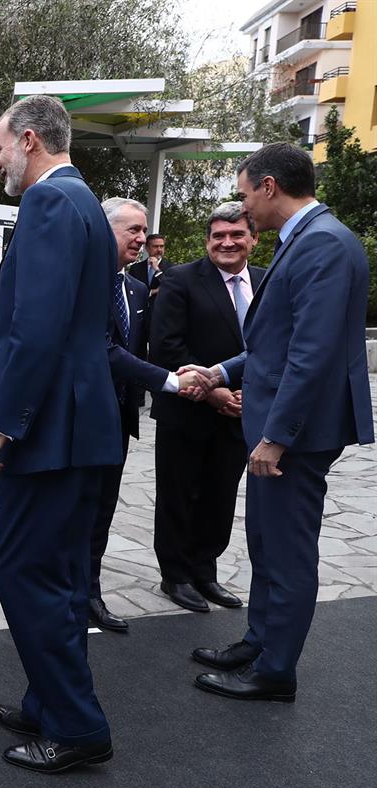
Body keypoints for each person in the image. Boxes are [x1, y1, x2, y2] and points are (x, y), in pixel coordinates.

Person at [184, 143, 372, 701]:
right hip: (280, 431)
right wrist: (219, 368)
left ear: (269, 186)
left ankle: (275, 671)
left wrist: (275, 437)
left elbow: (310, 356)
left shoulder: (322, 246)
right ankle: (260, 640)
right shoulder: (309, 241)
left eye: (244, 195)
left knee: (287, 553)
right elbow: (276, 343)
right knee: (266, 544)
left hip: (294, 437)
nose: (243, 209)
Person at [0, 95, 121, 773]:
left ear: (29, 140)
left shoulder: (48, 203)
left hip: (50, 430)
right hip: (77, 420)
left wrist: (1, 423)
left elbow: (35, 328)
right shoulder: (86, 201)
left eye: (0, 146)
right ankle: (47, 702)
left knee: (25, 571)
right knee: (57, 576)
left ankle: (76, 724)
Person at [90, 198, 207, 633]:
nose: (142, 240)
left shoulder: (137, 289)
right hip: (81, 419)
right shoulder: (84, 283)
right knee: (76, 511)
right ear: (105, 232)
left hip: (119, 418)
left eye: (144, 232)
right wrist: (173, 382)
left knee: (102, 510)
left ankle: (90, 591)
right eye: (132, 230)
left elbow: (141, 351)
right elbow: (104, 350)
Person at [149, 202, 264, 614]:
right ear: (207, 241)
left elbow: (271, 349)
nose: (227, 242)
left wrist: (248, 395)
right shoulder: (180, 280)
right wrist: (213, 391)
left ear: (253, 238)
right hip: (188, 409)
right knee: (179, 496)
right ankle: (175, 575)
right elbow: (166, 347)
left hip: (241, 413)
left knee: (219, 497)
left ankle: (205, 571)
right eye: (218, 236)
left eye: (236, 235)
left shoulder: (267, 283)